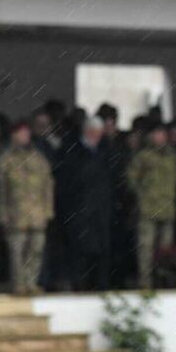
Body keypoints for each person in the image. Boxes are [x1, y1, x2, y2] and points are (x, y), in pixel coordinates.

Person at [55, 116, 113, 291]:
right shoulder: (71, 150)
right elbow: (65, 183)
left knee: (102, 250)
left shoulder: (105, 150)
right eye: (95, 133)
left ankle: (100, 285)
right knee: (79, 251)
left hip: (100, 212)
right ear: (87, 132)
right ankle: (79, 285)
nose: (98, 137)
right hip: (78, 212)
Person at [0, 121, 53, 295]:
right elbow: (1, 189)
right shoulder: (6, 159)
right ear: (14, 135)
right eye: (21, 133)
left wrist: (48, 210)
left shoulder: (39, 158)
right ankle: (19, 284)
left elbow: (48, 185)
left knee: (36, 249)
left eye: (27, 133)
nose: (25, 137)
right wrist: (3, 213)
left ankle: (31, 282)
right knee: (17, 252)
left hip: (37, 214)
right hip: (16, 213)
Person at [127, 123, 176, 289]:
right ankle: (146, 282)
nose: (160, 137)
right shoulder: (143, 156)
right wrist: (144, 195)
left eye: (162, 134)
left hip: (167, 208)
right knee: (146, 248)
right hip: (148, 209)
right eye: (156, 134)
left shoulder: (172, 156)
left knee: (165, 250)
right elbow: (131, 179)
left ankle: (163, 281)